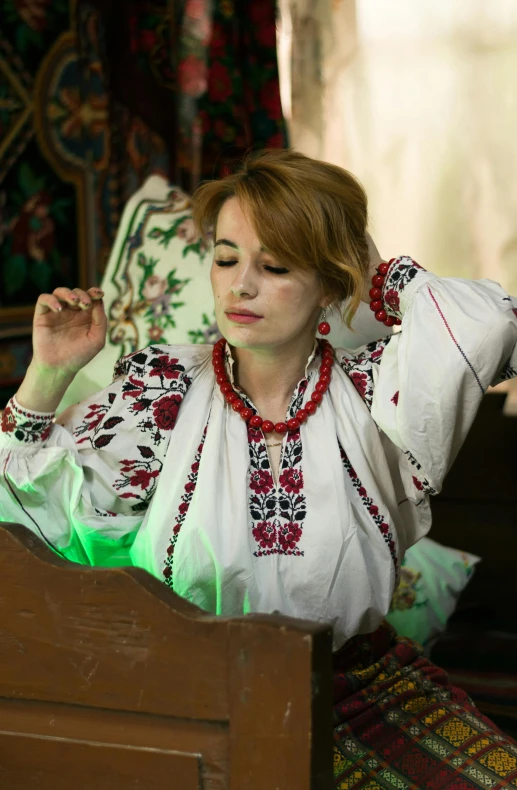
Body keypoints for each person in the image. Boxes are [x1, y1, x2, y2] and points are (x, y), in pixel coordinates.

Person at [1, 149, 516, 787]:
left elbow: (486, 323)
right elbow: (32, 529)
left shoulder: (378, 392)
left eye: (274, 265)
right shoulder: (162, 393)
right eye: (225, 258)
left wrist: (371, 274)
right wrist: (48, 373)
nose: (240, 285)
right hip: (191, 691)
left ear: (329, 282)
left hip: (358, 690)